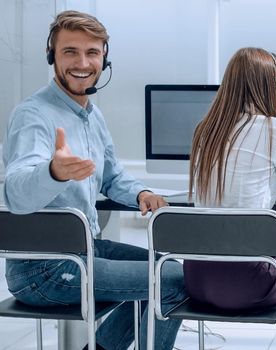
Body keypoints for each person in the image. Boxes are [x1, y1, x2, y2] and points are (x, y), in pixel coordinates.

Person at [2, 10, 186, 350]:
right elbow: (15, 194)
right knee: (173, 281)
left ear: (104, 58)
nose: (82, 62)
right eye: (70, 51)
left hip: (85, 249)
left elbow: (112, 175)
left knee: (168, 267)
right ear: (51, 56)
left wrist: (140, 192)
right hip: (45, 269)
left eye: (92, 53)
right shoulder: (34, 115)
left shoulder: (91, 114)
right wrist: (53, 173)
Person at [184, 47, 276, 349]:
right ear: (268, 85)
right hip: (246, 287)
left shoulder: (204, 131)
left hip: (196, 280)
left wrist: (274, 187)